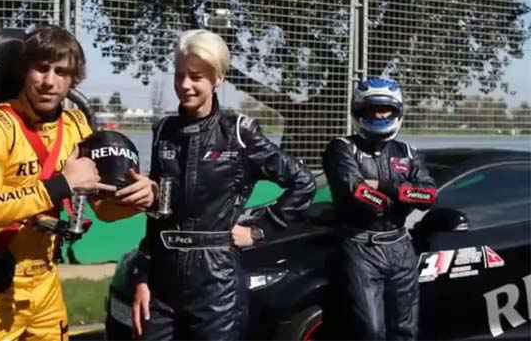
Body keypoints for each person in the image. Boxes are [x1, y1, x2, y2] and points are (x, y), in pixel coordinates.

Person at [0, 25, 155, 340]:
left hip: (45, 287)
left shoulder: (76, 127)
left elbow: (101, 208)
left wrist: (140, 198)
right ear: (24, 70)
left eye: (61, 72)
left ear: (74, 79)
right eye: (42, 68)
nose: (50, 82)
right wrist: (60, 185)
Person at [130, 29, 316, 340]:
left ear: (217, 78)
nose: (185, 85)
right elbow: (156, 218)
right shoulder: (164, 130)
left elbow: (302, 183)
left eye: (196, 76)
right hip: (162, 282)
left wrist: (260, 231)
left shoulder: (239, 132)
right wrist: (141, 276)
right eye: (179, 75)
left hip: (217, 283)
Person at [322, 77, 437, 340]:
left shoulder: (408, 151)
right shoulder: (342, 147)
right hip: (361, 248)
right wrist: (402, 194)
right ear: (360, 111)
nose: (380, 115)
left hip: (401, 248)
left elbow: (429, 195)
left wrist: (384, 185)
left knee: (405, 330)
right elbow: (358, 193)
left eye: (385, 109)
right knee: (371, 332)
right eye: (373, 109)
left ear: (397, 111)